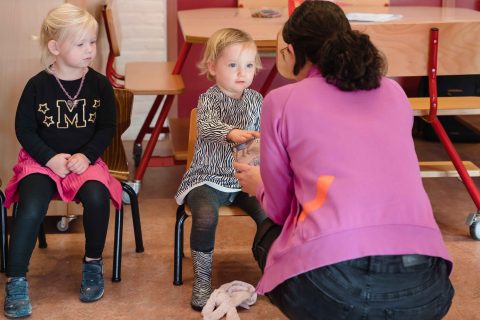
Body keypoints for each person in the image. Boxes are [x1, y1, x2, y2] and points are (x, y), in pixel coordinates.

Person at [234, 1, 454, 319]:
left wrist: (259, 186)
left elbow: (281, 210)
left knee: (269, 231)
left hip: (334, 292)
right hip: (428, 290)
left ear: (293, 52)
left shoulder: (281, 101)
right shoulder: (394, 92)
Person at [3, 3, 122, 318]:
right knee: (30, 207)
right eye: (80, 43)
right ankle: (16, 279)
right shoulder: (37, 86)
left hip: (84, 163)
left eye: (92, 42)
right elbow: (24, 129)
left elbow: (108, 126)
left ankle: (93, 264)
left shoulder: (98, 85)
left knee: (97, 198)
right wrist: (50, 158)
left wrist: (87, 155)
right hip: (41, 163)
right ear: (55, 47)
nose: (89, 50)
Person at [175, 28, 267, 311]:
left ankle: (271, 271)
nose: (242, 72)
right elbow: (207, 126)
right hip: (207, 178)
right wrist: (232, 133)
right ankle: (202, 280)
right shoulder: (209, 99)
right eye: (233, 65)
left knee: (269, 213)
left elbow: (266, 135)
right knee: (204, 216)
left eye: (249, 65)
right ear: (213, 67)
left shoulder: (256, 100)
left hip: (245, 178)